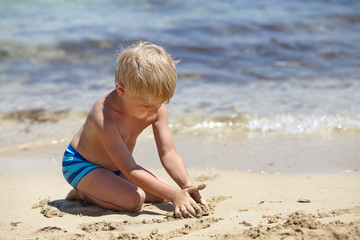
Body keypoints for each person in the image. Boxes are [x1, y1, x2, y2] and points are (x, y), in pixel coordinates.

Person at [62, 41, 208, 218]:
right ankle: (84, 193)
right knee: (134, 200)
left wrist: (186, 186)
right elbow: (130, 168)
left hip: (118, 168)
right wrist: (173, 194)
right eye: (147, 105)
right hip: (82, 164)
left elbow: (168, 152)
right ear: (121, 90)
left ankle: (105, 186)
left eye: (161, 103)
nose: (154, 111)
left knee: (160, 197)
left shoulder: (154, 107)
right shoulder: (105, 117)